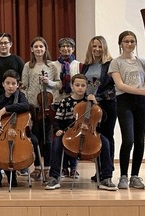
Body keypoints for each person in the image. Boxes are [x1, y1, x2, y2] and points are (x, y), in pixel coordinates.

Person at [43, 74, 117, 191]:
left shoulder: (91, 101)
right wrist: (58, 130)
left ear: (87, 87)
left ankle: (106, 178)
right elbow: (57, 120)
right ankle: (54, 177)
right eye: (77, 85)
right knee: (56, 142)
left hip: (90, 133)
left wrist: (96, 104)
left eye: (83, 85)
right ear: (72, 86)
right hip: (70, 133)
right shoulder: (65, 102)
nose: (80, 88)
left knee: (106, 143)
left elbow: (104, 118)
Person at [109, 30, 145, 189]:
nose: (129, 44)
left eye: (132, 41)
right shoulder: (116, 62)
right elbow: (120, 85)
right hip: (124, 101)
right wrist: (143, 91)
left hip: (141, 103)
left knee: (140, 140)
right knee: (128, 139)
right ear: (120, 44)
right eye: (126, 41)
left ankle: (135, 176)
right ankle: (123, 175)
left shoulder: (143, 62)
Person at [0, 70, 34, 188]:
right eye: (8, 83)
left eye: (13, 83)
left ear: (18, 85)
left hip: (19, 131)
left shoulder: (21, 96)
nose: (10, 86)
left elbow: (26, 106)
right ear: (3, 84)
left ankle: (12, 175)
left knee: (30, 142)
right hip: (3, 131)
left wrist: (6, 109)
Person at [0, 33, 25, 176]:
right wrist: (2, 90)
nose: (3, 45)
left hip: (15, 98)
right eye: (0, 43)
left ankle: (20, 162)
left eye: (5, 43)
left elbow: (21, 78)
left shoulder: (17, 60)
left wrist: (13, 92)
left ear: (10, 44)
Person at [20, 37, 60, 180]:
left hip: (48, 107)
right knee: (35, 138)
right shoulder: (27, 66)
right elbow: (23, 85)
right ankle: (37, 167)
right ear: (32, 49)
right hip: (34, 107)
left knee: (48, 139)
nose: (38, 49)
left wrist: (48, 82)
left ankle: (48, 167)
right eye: (36, 47)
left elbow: (59, 84)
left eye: (41, 47)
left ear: (45, 49)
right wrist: (27, 99)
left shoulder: (52, 66)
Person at [81, 36, 117, 182]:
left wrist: (98, 98)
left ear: (104, 48)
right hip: (90, 105)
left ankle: (107, 171)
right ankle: (99, 171)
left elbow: (113, 88)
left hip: (107, 105)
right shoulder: (86, 65)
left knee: (107, 137)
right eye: (94, 46)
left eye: (99, 46)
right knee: (95, 137)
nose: (96, 49)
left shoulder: (110, 64)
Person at [52, 37, 81, 179]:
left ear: (73, 49)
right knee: (61, 134)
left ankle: (74, 167)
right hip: (58, 102)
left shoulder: (79, 65)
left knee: (73, 134)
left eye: (69, 46)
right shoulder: (53, 65)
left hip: (75, 103)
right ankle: (63, 167)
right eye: (62, 46)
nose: (65, 49)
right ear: (59, 49)